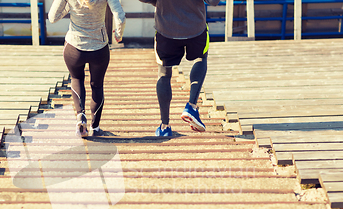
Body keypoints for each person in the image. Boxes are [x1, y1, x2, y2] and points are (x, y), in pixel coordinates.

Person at [139, 0, 217, 137]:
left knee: (164, 72)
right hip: (195, 28)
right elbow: (214, 1)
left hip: (166, 29)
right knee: (201, 58)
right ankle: (191, 106)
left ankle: (164, 127)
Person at [49, 0, 126, 137]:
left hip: (74, 48)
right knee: (97, 86)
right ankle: (95, 128)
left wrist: (71, 7)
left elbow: (53, 18)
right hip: (99, 48)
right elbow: (120, 16)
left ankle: (81, 117)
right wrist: (118, 35)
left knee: (76, 78)